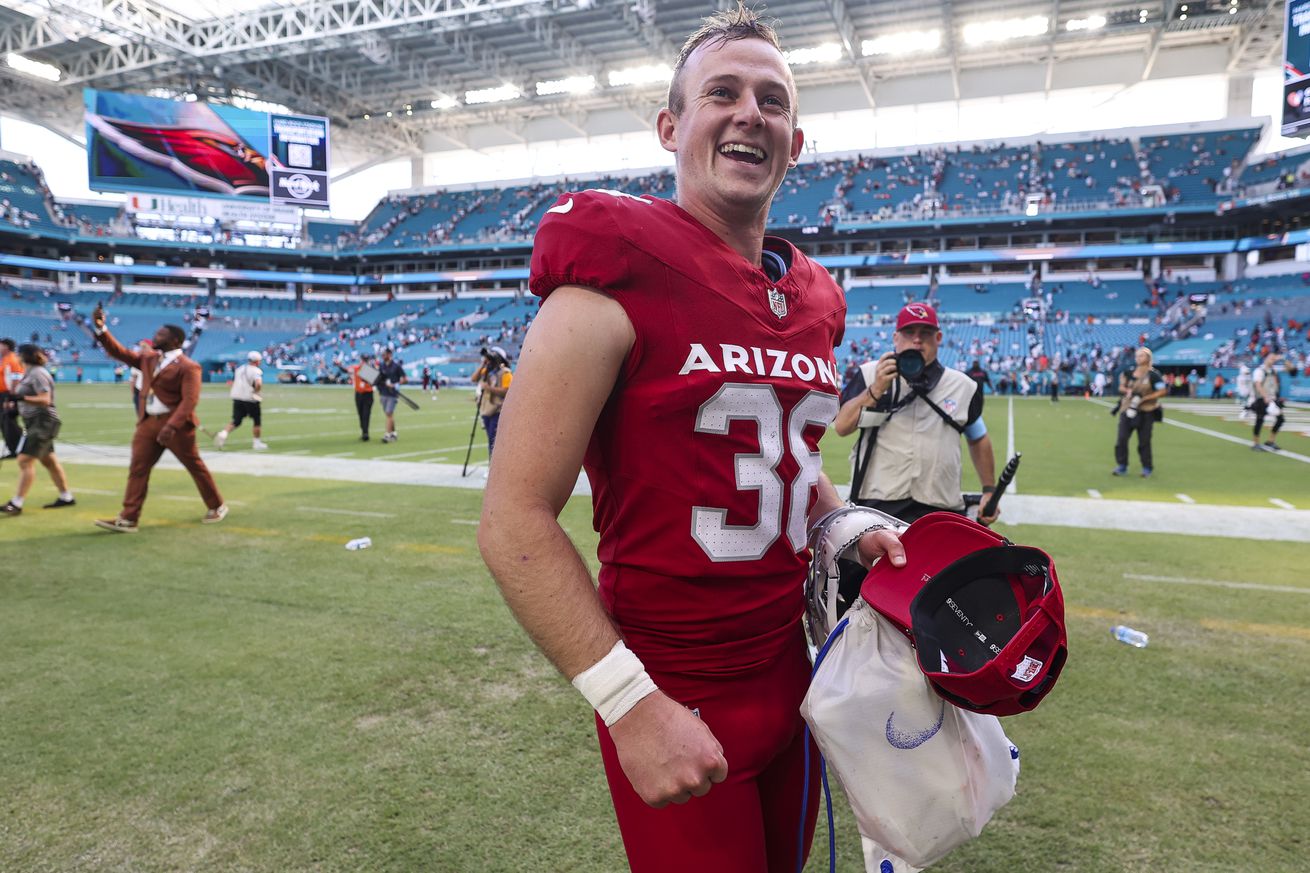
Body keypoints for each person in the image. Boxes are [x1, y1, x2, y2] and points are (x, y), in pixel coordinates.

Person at [477, 9, 906, 871]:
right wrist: (628, 704)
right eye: (723, 92)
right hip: (672, 685)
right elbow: (512, 520)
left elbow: (785, 459)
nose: (751, 111)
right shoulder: (613, 268)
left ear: (795, 141)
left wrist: (838, 519)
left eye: (773, 100)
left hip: (793, 674)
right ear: (673, 127)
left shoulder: (811, 300)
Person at [834, 302, 1000, 526]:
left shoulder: (962, 386)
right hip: (878, 501)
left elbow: (978, 436)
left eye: (926, 333)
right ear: (895, 338)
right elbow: (842, 427)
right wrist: (875, 390)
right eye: (909, 332)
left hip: (940, 503)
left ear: (938, 337)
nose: (917, 340)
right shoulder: (870, 373)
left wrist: (989, 490)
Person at [89, 304, 227, 532]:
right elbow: (120, 353)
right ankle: (128, 518)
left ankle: (217, 505)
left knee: (194, 466)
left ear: (175, 341)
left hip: (176, 426)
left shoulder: (189, 366)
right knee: (138, 468)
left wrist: (171, 426)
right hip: (148, 422)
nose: (155, 336)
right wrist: (101, 330)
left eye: (161, 334)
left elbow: (189, 401)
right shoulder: (149, 359)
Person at [0, 344, 75, 515]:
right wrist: (14, 408)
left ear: (24, 356)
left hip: (43, 422)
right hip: (34, 421)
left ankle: (16, 503)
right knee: (49, 461)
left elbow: (45, 399)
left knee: (24, 461)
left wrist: (21, 397)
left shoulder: (38, 373)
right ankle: (66, 496)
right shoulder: (30, 372)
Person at [1111, 347, 1166, 477]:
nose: (1138, 358)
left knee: (1144, 441)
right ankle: (1122, 465)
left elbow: (1162, 391)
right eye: (1137, 356)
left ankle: (1147, 467)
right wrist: (1127, 391)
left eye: (1141, 356)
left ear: (1148, 358)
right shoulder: (1128, 372)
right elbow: (1121, 387)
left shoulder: (1154, 375)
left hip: (1146, 410)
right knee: (1122, 439)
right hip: (1128, 408)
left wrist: (1146, 398)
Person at [214, 351, 267, 451]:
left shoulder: (240, 369)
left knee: (236, 421)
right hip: (250, 399)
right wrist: (256, 392)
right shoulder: (256, 371)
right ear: (257, 361)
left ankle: (223, 433)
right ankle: (257, 442)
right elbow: (258, 384)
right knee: (257, 421)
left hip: (237, 398)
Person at [470, 346, 512, 458]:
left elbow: (507, 391)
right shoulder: (486, 371)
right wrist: (483, 365)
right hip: (486, 410)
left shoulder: (505, 373)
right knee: (491, 439)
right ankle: (492, 467)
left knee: (493, 441)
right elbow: (473, 379)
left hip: (498, 410)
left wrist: (488, 388)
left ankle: (493, 468)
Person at [1250, 352, 1285, 452]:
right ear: (1266, 359)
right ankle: (1256, 443)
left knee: (1281, 419)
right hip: (1262, 399)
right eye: (1271, 358)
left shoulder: (1273, 371)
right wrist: (1265, 396)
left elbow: (1274, 385)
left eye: (1274, 359)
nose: (1273, 360)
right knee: (1260, 420)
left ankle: (1270, 441)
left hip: (1272, 399)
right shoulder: (1259, 370)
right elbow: (1258, 384)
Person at [375, 348, 406, 443]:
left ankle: (387, 435)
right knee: (389, 414)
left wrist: (395, 384)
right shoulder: (381, 365)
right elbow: (378, 378)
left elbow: (405, 379)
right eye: (382, 355)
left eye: (384, 354)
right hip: (383, 392)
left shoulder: (396, 366)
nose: (383, 356)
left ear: (389, 354)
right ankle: (394, 433)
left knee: (388, 413)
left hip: (392, 393)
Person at [340, 357, 375, 441]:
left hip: (368, 393)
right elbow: (346, 370)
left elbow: (374, 380)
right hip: (359, 393)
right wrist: (339, 365)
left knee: (366, 413)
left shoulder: (370, 370)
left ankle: (365, 433)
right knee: (360, 413)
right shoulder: (356, 368)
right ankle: (363, 431)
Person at [0, 338, 24, 458]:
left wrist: (11, 398)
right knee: (4, 422)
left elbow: (16, 379)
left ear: (6, 347)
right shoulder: (5, 359)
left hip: (8, 395)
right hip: (3, 394)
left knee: (9, 422)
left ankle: (17, 448)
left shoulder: (12, 360)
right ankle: (13, 448)